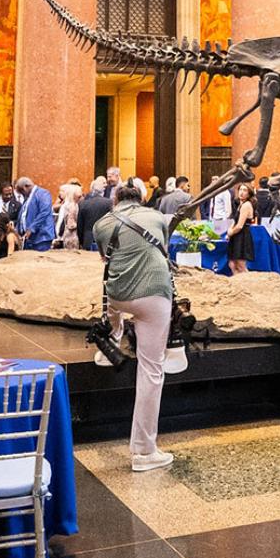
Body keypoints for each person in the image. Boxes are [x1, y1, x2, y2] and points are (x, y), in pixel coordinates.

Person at [92, 185, 177, 471]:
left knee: (114, 307)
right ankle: (143, 452)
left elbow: (106, 258)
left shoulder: (101, 224)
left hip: (118, 294)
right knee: (152, 369)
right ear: (140, 200)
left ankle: (111, 343)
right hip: (154, 295)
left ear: (114, 200)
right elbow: (162, 246)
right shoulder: (156, 217)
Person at [15, 177, 55, 251]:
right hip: (29, 239)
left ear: (25, 187)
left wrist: (31, 228)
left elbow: (44, 212)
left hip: (42, 237)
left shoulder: (43, 194)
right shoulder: (28, 197)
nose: (22, 194)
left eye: (22, 191)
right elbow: (23, 216)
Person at [78, 186, 113, 252]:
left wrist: (81, 241)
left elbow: (80, 225)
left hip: (88, 239)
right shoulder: (109, 202)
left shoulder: (82, 204)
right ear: (102, 192)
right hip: (105, 238)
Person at [56, 183, 82, 250]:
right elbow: (71, 225)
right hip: (71, 236)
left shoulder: (68, 205)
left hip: (66, 235)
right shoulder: (72, 206)